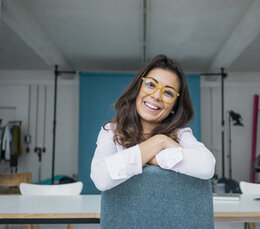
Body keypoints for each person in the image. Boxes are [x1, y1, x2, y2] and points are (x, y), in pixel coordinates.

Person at [90, 54, 215, 191]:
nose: (156, 96)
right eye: (150, 84)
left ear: (174, 106)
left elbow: (207, 167)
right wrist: (159, 142)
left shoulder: (181, 134)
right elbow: (101, 178)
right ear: (138, 89)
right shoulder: (112, 130)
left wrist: (151, 157)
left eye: (168, 92)